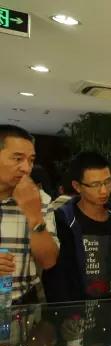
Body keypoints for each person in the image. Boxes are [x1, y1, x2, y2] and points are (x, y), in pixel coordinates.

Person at [44, 152, 111, 302]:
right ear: (77, 186)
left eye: (108, 182)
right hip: (76, 307)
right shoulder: (63, 219)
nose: (104, 190)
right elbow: (58, 276)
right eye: (95, 185)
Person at [0, 125, 59, 304]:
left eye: (31, 160)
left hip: (22, 304)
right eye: (17, 158)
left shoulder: (39, 199)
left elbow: (48, 261)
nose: (26, 168)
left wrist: (34, 216)